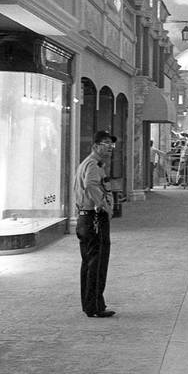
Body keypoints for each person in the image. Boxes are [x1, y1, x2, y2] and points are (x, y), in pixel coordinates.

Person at [73, 131, 116, 318]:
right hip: (94, 218)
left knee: (90, 263)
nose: (109, 147)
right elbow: (91, 185)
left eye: (111, 144)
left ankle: (91, 304)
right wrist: (103, 205)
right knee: (96, 264)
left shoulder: (91, 163)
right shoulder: (92, 164)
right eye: (106, 143)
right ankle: (95, 306)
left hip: (87, 218)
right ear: (96, 146)